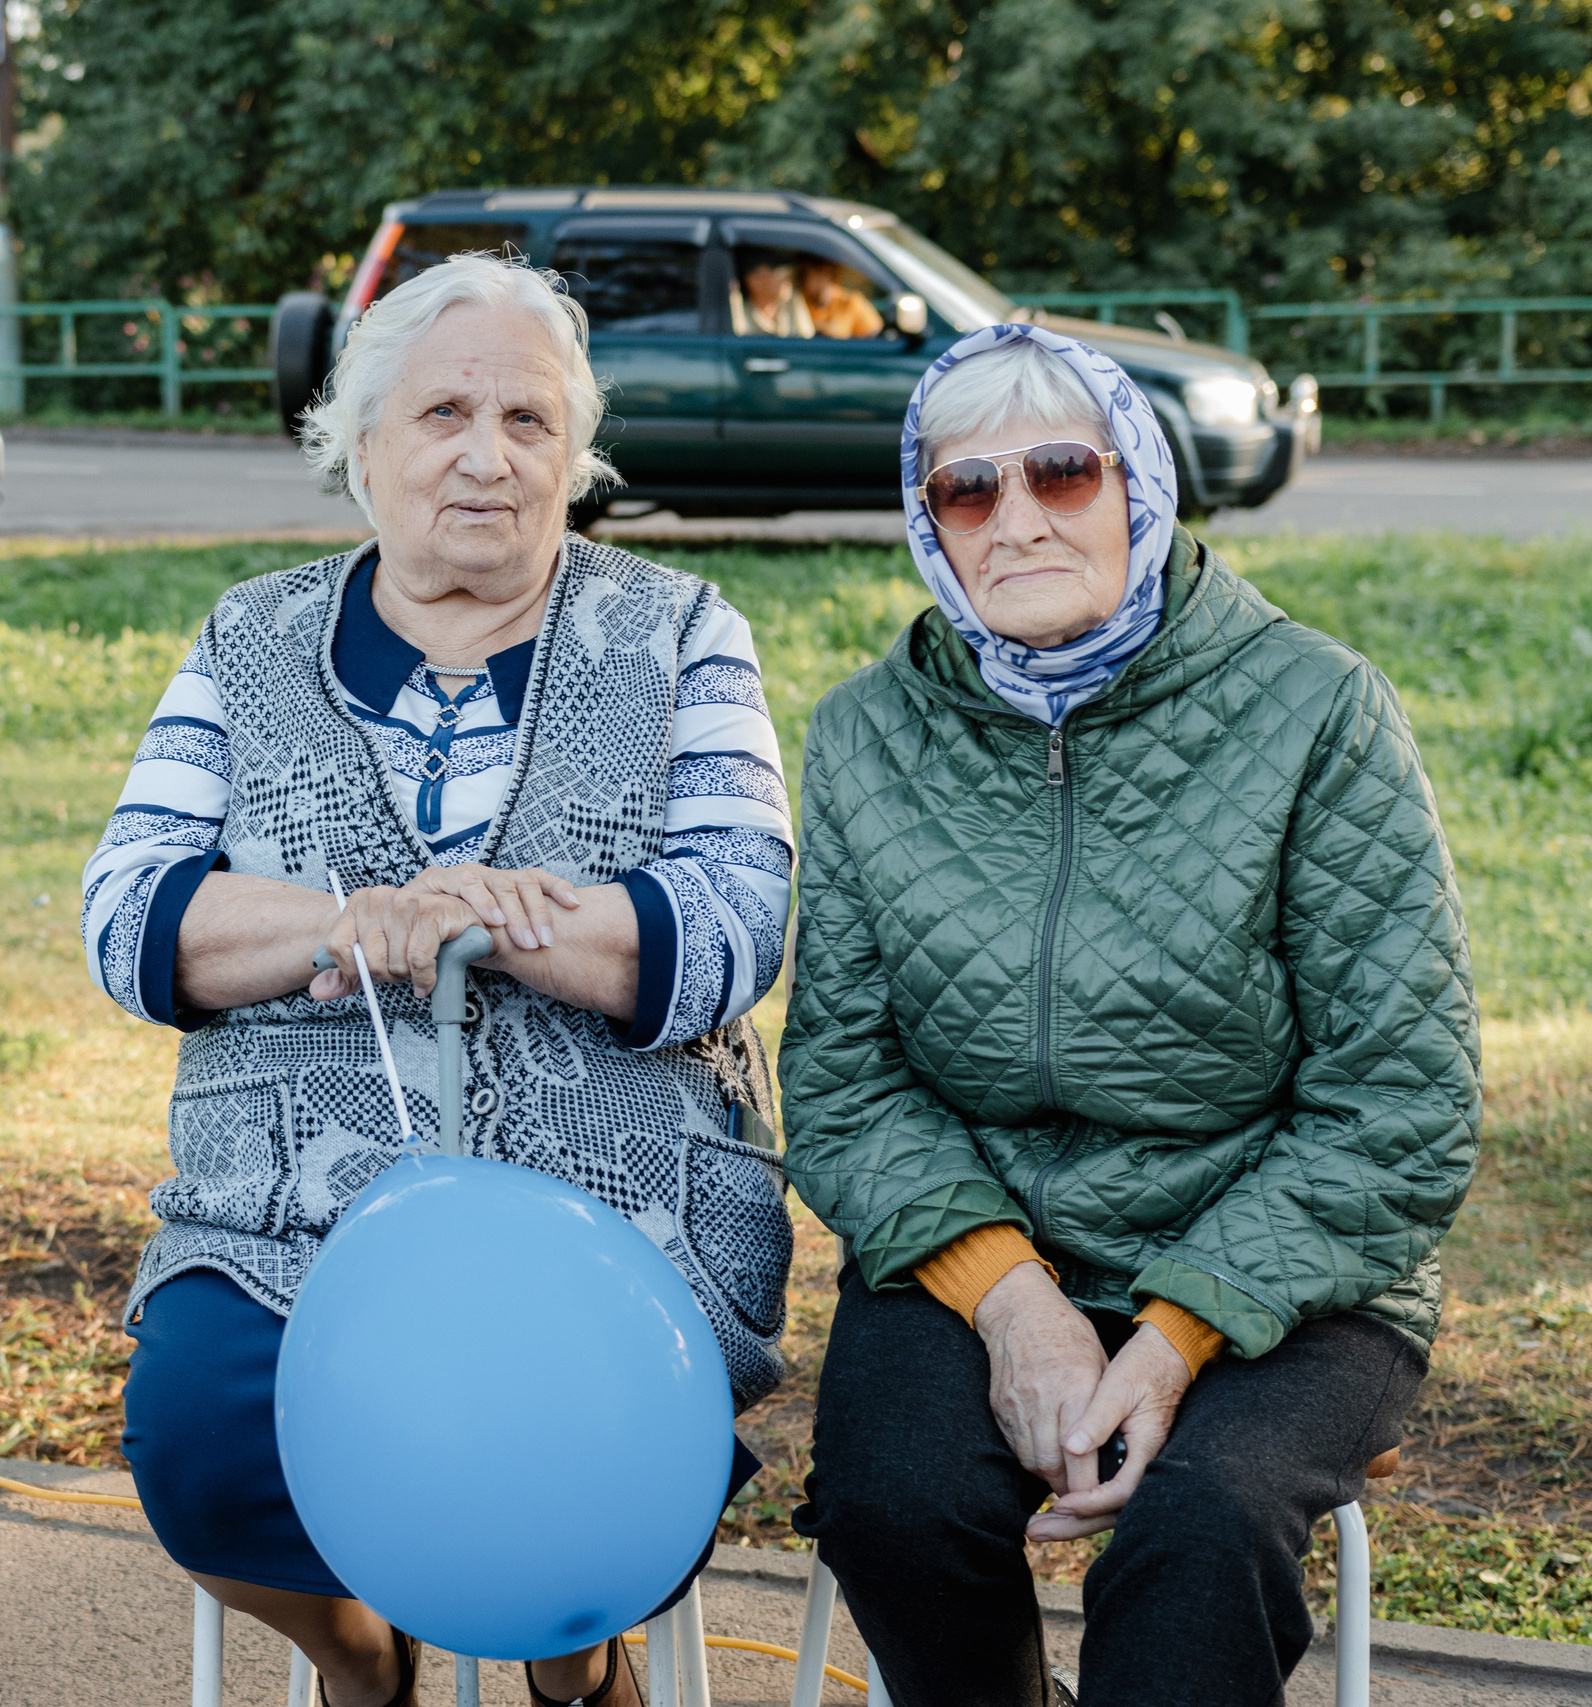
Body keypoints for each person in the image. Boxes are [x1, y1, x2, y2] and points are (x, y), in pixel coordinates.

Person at [82, 254, 797, 1707]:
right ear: (361, 444)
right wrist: (361, 917)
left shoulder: (679, 626)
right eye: (443, 412)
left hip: (615, 1190)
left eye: (531, 421)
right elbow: (132, 915)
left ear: (575, 457)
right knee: (208, 1449)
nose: (488, 455)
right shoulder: (249, 631)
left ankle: (573, 1647)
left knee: (594, 1434)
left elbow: (737, 917)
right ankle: (361, 1655)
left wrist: (502, 919)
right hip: (289, 1198)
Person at [779, 325, 1479, 1707]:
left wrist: (1173, 1336)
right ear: (930, 525)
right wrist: (1016, 1300)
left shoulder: (1317, 707)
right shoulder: (869, 731)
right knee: (892, 1501)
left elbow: (1402, 1102)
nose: (1019, 517)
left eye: (1061, 470)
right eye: (967, 489)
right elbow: (846, 1083)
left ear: (1141, 485)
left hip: (1282, 1261)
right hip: (979, 1239)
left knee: (1200, 1528)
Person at [797, 257, 884, 340]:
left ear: (825, 272)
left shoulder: (849, 302)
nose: (802, 280)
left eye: (805, 274)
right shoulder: (795, 302)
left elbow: (877, 337)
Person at [733, 254, 812, 338]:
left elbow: (807, 340)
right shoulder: (740, 311)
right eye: (779, 272)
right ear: (753, 280)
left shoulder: (791, 302)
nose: (787, 278)